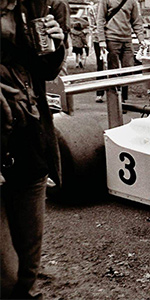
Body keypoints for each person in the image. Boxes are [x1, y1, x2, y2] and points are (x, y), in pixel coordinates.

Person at [1, 0, 66, 298]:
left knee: (29, 260)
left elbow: (45, 71)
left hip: (28, 137)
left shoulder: (33, 6)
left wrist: (56, 44)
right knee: (6, 272)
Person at [97, 0, 147, 103]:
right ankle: (114, 100)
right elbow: (100, 19)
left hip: (127, 39)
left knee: (128, 70)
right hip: (111, 38)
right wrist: (102, 40)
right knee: (113, 70)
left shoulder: (132, 1)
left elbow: (136, 21)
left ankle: (123, 99)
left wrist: (141, 39)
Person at [88, 1, 106, 102]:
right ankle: (102, 92)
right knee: (105, 65)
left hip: (98, 38)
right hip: (105, 38)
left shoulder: (92, 8)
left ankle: (100, 93)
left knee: (101, 65)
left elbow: (92, 27)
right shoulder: (93, 8)